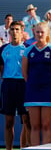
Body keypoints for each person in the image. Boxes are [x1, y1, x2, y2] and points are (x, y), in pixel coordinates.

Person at [21, 22, 51, 146]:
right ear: (34, 32)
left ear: (47, 34)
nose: (39, 34)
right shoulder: (28, 51)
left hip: (48, 92)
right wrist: (33, 84)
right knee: (34, 126)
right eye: (37, 31)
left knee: (46, 126)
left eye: (42, 32)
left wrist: (49, 84)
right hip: (32, 92)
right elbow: (24, 73)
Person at [0, 21, 31, 150]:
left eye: (17, 29)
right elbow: (1, 68)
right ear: (9, 31)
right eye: (12, 29)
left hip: (23, 85)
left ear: (22, 31)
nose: (14, 32)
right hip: (8, 84)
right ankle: (9, 149)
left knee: (26, 121)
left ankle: (25, 148)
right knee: (8, 121)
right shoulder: (3, 49)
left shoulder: (27, 49)